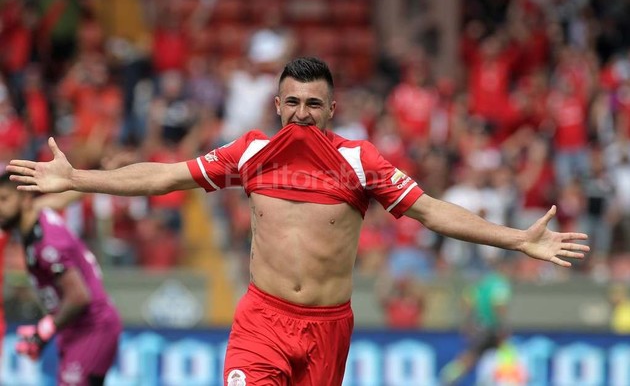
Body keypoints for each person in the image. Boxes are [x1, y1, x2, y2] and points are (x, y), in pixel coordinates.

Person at [7, 57, 589, 385]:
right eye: (293, 102)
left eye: (314, 104)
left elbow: (432, 211)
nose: (302, 113)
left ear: (331, 109)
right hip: (262, 320)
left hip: (328, 328)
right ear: (277, 105)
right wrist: (76, 178)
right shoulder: (252, 153)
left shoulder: (360, 162)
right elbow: (164, 176)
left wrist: (519, 240)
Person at [0, 173, 122, 386]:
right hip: (77, 327)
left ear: (26, 199)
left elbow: (78, 296)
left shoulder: (47, 242)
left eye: (4, 199)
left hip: (92, 326)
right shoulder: (33, 224)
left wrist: (44, 331)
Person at [439, 259, 515, 385]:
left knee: (472, 356)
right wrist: (503, 325)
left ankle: (449, 376)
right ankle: (510, 381)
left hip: (478, 326)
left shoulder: (482, 284)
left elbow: (467, 302)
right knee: (505, 352)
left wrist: (468, 323)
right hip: (491, 327)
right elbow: (499, 306)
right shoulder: (500, 283)